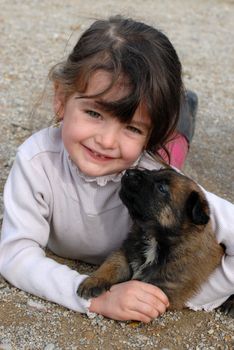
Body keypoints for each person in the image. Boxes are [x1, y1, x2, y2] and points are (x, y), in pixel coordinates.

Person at [0, 15, 233, 323]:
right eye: (94, 112)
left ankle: (180, 115)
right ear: (61, 99)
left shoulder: (150, 171)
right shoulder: (36, 161)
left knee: (173, 155)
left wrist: (183, 294)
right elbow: (14, 255)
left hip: (161, 157)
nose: (107, 141)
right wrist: (95, 299)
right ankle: (175, 113)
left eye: (133, 128)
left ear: (150, 135)